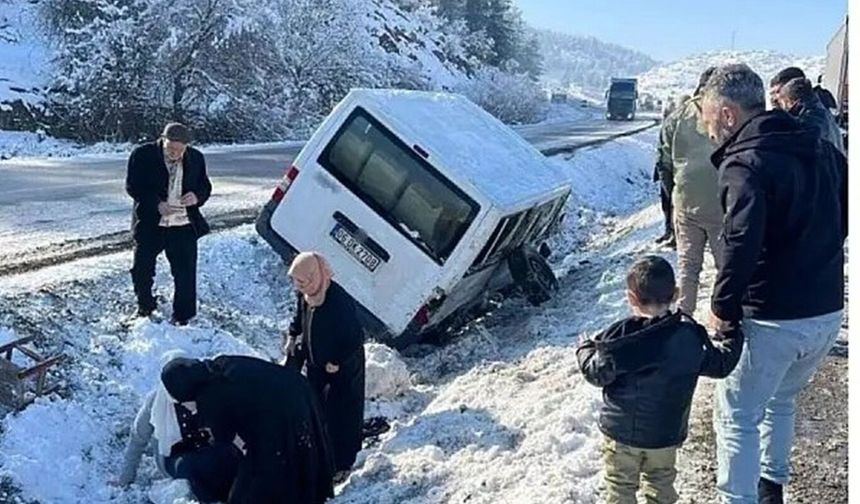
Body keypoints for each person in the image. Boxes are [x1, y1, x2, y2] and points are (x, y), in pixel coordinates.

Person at [700, 63, 847, 504]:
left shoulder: (745, 162)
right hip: (825, 311)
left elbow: (742, 241)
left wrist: (723, 307)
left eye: (707, 116)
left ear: (728, 114)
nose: (706, 128)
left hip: (772, 317)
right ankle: (771, 489)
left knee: (736, 416)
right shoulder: (819, 145)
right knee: (782, 400)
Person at [576, 255, 743, 504]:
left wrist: (585, 349)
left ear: (631, 298)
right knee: (661, 485)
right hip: (665, 434)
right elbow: (720, 366)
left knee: (620, 488)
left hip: (621, 433)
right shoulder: (690, 337)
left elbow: (596, 373)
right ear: (675, 294)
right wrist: (733, 335)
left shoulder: (619, 337)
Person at [161, 355, 335, 504]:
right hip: (298, 388)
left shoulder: (210, 398)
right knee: (302, 453)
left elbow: (231, 442)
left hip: (283, 410)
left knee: (274, 466)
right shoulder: (218, 365)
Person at [113, 352, 241, 503]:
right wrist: (126, 477)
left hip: (206, 447)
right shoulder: (156, 401)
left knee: (228, 458)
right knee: (191, 468)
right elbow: (137, 439)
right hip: (174, 455)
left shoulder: (203, 394)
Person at [285, 252, 366, 477]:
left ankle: (343, 463)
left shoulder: (337, 301)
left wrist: (336, 361)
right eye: (297, 281)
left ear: (315, 276)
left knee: (342, 413)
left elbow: (355, 337)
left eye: (302, 281)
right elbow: (299, 317)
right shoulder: (308, 294)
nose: (299, 286)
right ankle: (322, 458)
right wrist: (293, 336)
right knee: (318, 410)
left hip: (344, 367)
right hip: (317, 363)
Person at [126, 123, 212, 325]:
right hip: (150, 223)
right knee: (142, 269)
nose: (175, 154)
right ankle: (145, 307)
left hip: (182, 225)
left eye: (180, 150)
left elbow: (205, 186)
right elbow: (133, 186)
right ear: (162, 140)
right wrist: (156, 204)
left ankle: (184, 316)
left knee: (185, 272)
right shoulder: (142, 155)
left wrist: (197, 197)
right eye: (170, 149)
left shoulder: (196, 158)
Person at [660, 68, 722, 316]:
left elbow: (664, 159)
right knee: (725, 267)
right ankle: (725, 319)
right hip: (721, 204)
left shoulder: (677, 116)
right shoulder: (726, 114)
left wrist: (673, 194)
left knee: (688, 267)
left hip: (686, 202)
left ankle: (684, 318)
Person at [776, 77, 845, 155]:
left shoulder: (808, 122)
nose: (783, 108)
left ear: (793, 102)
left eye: (783, 104)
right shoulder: (825, 113)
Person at [653, 98, 679, 248]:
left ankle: (674, 235)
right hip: (664, 169)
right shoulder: (667, 127)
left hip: (671, 170)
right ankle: (668, 231)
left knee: (672, 204)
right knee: (666, 204)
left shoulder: (675, 128)